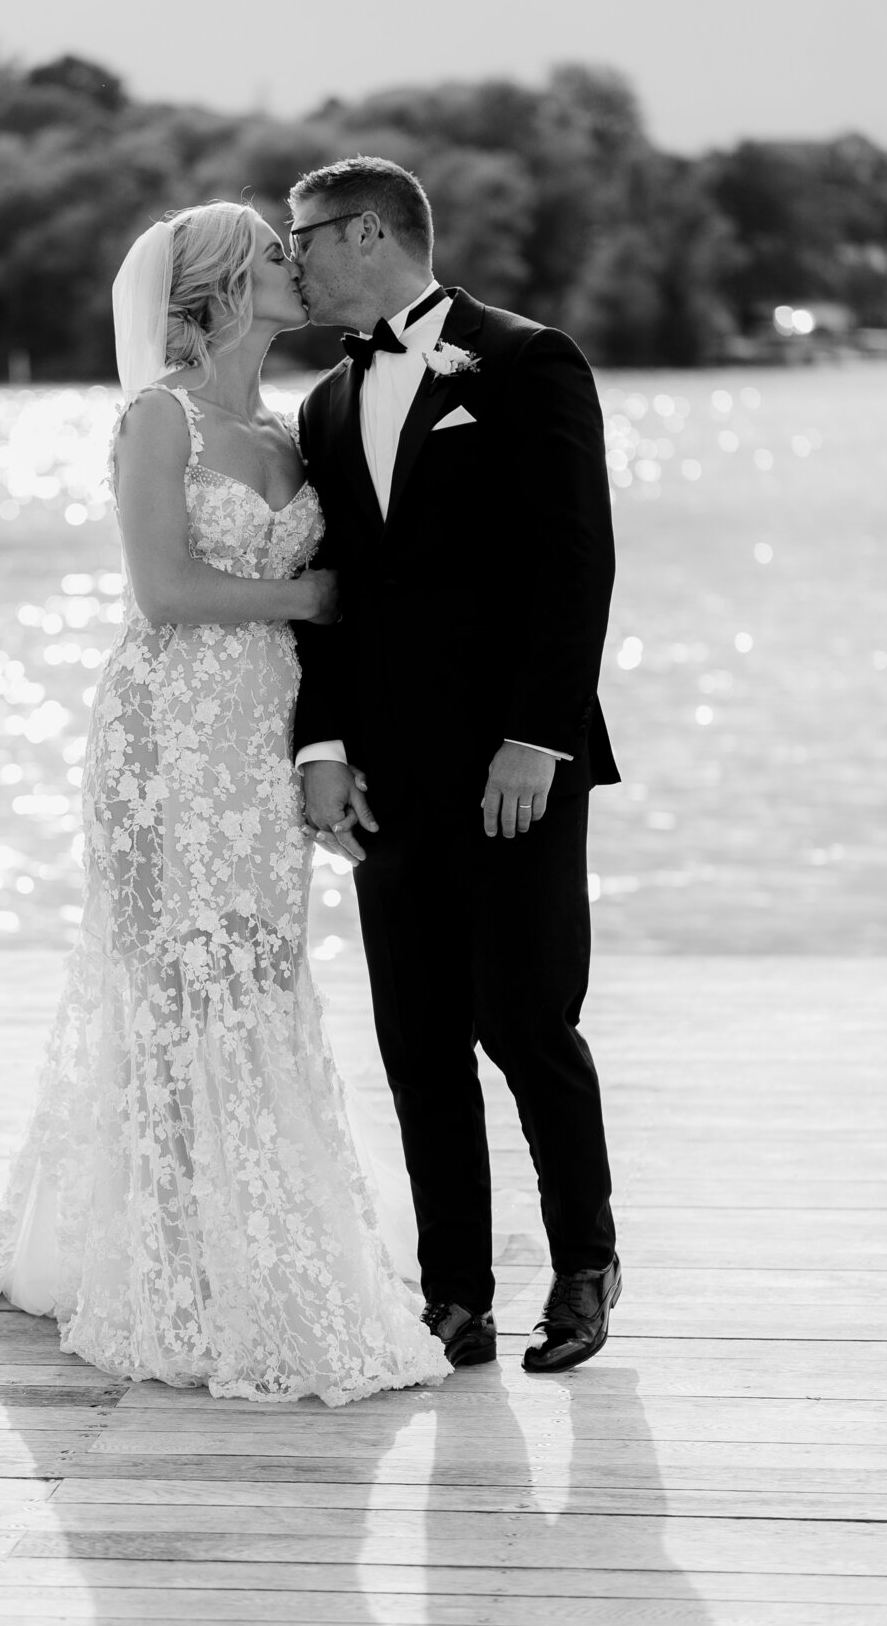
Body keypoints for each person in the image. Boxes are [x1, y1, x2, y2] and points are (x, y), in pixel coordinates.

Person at [0, 201, 451, 1408]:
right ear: (224, 287)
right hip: (167, 736)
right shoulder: (158, 417)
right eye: (276, 257)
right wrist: (316, 597)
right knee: (170, 984)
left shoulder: (288, 428)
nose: (299, 264)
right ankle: (172, 1257)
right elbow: (167, 590)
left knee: (261, 969)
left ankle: (257, 1233)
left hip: (262, 737)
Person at [290, 157, 622, 1374]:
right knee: (417, 1038)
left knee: (528, 1022)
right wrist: (320, 748)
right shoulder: (326, 404)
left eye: (307, 239)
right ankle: (456, 1297)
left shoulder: (528, 360)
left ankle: (584, 1267)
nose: (295, 261)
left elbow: (575, 564)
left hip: (515, 766)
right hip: (385, 776)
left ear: (369, 232)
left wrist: (538, 736)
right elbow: (327, 607)